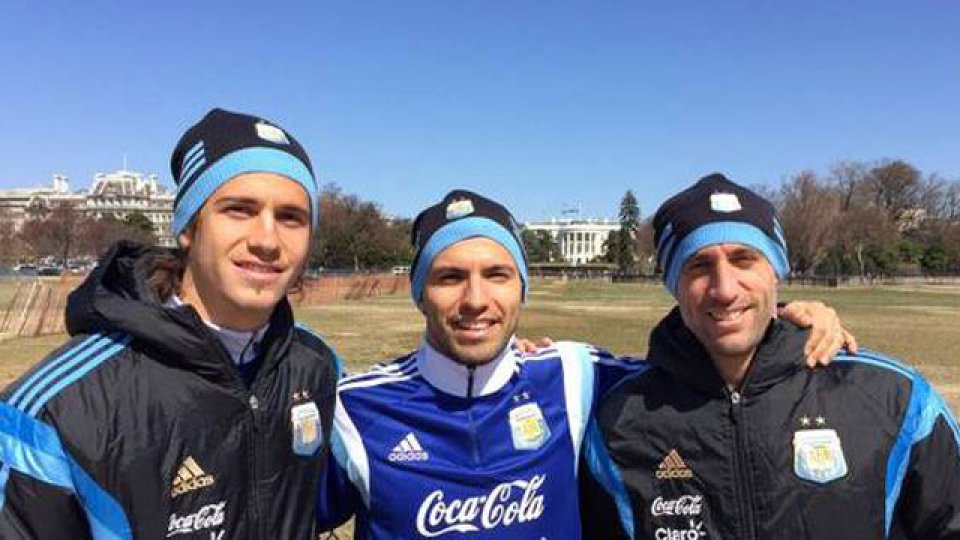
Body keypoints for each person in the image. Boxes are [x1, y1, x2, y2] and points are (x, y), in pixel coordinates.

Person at [317, 189, 852, 539]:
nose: (476, 299)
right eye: (450, 276)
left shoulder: (572, 376)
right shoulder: (357, 407)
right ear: (419, 292)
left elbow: (703, 366)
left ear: (522, 289)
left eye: (498, 275)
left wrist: (784, 319)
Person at [0, 108, 339, 539]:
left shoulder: (316, 365)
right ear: (188, 228)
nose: (267, 240)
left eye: (291, 217)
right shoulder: (56, 410)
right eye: (239, 209)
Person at [580, 173, 960, 539]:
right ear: (673, 284)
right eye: (699, 266)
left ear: (776, 272)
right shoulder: (619, 419)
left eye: (744, 259)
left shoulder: (893, 398)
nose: (725, 289)